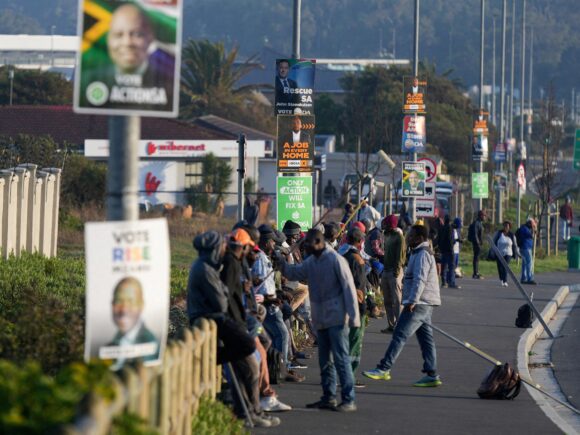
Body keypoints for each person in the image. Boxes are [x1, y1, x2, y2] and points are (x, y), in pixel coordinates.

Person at [277, 229, 360, 412]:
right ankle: (328, 397)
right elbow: (294, 273)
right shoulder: (312, 261)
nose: (306, 249)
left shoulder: (335, 260)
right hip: (320, 319)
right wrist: (281, 263)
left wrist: (354, 319)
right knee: (325, 361)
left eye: (308, 246)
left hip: (338, 319)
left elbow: (349, 289)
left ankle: (348, 399)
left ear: (319, 242)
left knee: (341, 359)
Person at [363, 224, 442, 388]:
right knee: (426, 339)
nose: (408, 238)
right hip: (424, 302)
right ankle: (432, 374)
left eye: (411, 236)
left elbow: (420, 279)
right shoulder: (418, 252)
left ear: (420, 238)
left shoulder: (422, 254)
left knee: (399, 334)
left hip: (419, 303)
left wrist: (412, 301)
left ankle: (384, 368)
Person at [81, 3, 175, 110]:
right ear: (108, 40)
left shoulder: (168, 85)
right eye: (118, 35)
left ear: (150, 38)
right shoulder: (87, 82)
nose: (127, 43)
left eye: (137, 34)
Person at [106, 276, 159, 366]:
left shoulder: (150, 345)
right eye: (119, 301)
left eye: (131, 302)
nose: (123, 310)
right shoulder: (112, 342)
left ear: (141, 305)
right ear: (112, 304)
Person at [342, 228, 369, 388]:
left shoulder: (340, 255)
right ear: (360, 242)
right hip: (355, 308)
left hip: (341, 304)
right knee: (354, 343)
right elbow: (359, 287)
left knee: (343, 342)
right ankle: (349, 376)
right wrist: (364, 306)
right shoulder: (357, 259)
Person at [380, 215, 406, 333]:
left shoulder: (399, 237)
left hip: (395, 271)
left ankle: (399, 326)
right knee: (387, 300)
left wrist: (396, 272)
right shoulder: (386, 235)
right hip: (386, 270)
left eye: (385, 224)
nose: (383, 226)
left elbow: (400, 256)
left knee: (396, 300)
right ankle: (391, 325)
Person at [492, 221, 518, 287]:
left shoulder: (511, 235)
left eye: (507, 226)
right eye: (505, 226)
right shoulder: (499, 233)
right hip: (499, 252)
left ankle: (505, 280)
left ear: (509, 227)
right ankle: (501, 279)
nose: (506, 227)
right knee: (500, 266)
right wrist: (493, 250)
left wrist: (516, 253)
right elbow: (493, 240)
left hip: (508, 253)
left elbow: (515, 244)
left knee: (505, 266)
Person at [438, 215, 460, 289]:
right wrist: (452, 248)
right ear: (450, 221)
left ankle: (444, 282)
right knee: (451, 267)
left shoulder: (441, 228)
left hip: (443, 250)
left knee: (444, 267)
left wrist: (440, 248)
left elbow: (439, 239)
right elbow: (450, 240)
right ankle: (451, 282)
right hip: (449, 250)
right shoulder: (450, 228)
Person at [516, 219, 537, 285]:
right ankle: (530, 278)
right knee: (529, 263)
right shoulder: (525, 229)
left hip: (524, 247)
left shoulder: (523, 228)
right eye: (532, 224)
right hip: (526, 247)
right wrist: (534, 228)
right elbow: (531, 235)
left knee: (524, 263)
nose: (532, 226)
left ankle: (524, 278)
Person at [469, 210, 486, 279]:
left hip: (479, 243)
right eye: (484, 216)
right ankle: (475, 273)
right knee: (476, 258)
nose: (485, 217)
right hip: (476, 243)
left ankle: (476, 272)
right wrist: (478, 243)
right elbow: (475, 234)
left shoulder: (480, 223)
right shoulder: (476, 223)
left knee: (477, 258)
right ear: (481, 216)